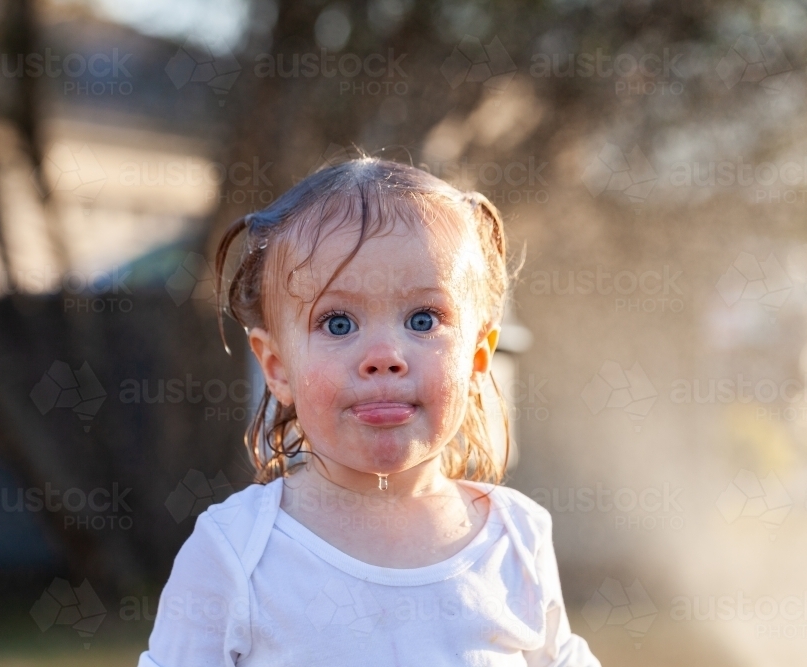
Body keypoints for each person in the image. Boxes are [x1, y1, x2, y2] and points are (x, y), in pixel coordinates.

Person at [138, 158, 600, 666]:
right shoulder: (235, 556)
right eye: (338, 324)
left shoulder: (517, 541)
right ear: (278, 368)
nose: (385, 355)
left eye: (423, 319)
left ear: (476, 359)